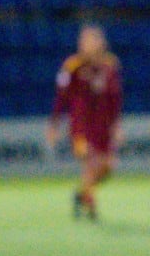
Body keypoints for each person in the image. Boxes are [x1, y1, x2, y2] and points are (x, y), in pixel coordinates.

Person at [48, 23, 122, 222]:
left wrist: (117, 125)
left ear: (101, 42)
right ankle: (90, 204)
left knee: (107, 168)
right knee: (91, 162)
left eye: (91, 40)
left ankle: (81, 194)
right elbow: (61, 98)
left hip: (103, 126)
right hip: (81, 127)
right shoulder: (72, 66)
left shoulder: (110, 65)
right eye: (84, 41)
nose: (86, 44)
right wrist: (54, 125)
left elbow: (116, 98)